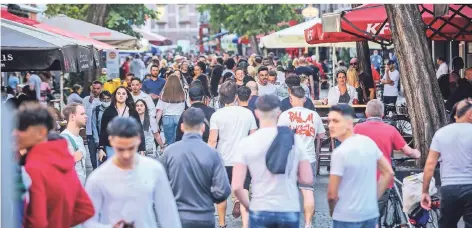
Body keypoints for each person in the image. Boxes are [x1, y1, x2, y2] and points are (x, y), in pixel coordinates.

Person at [232, 94, 313, 228]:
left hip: (260, 206)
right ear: (279, 113)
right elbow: (307, 179)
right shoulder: (294, 139)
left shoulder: (247, 143)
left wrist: (248, 205)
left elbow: (236, 186)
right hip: (288, 206)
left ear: (256, 113)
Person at [84, 117, 181, 228]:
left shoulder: (154, 169)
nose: (126, 154)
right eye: (120, 148)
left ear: (138, 140)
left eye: (131, 148)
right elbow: (88, 221)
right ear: (111, 141)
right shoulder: (97, 178)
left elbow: (168, 214)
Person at [15, 102, 94, 227]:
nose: (16, 133)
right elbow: (85, 209)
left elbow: (38, 222)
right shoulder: (62, 160)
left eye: (22, 128)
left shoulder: (33, 168)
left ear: (41, 132)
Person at [162, 108, 231, 228]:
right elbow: (222, 190)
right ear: (203, 127)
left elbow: (160, 186)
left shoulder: (169, 152)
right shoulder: (212, 154)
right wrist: (207, 199)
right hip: (204, 216)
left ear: (182, 127)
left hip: (177, 217)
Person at [327, 104, 393, 228]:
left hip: (346, 216)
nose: (330, 125)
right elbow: (388, 172)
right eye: (329, 121)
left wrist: (333, 211)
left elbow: (332, 194)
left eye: (335, 121)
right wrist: (374, 199)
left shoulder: (340, 152)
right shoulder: (368, 143)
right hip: (369, 214)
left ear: (349, 122)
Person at [354, 99, 421, 216]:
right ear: (382, 114)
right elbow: (408, 151)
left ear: (366, 113)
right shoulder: (390, 130)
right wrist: (417, 153)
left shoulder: (357, 129)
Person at [208, 81, 257, 228]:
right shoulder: (247, 113)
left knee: (221, 195)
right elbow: (254, 137)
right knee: (243, 193)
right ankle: (245, 225)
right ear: (236, 96)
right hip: (243, 160)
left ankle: (222, 224)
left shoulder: (216, 115)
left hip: (223, 160)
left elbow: (212, 141)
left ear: (221, 98)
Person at [277, 86, 325, 228]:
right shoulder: (314, 115)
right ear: (304, 99)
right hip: (308, 158)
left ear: (291, 99)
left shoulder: (285, 115)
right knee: (308, 192)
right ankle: (308, 224)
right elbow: (321, 135)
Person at [421, 99, 472, 228]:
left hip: (449, 188)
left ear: (455, 115)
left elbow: (430, 165)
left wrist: (425, 192)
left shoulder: (441, 134)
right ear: (470, 115)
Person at [98, 86, 145, 163]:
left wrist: (142, 149)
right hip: (111, 146)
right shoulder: (108, 111)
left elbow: (139, 130)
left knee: (129, 171)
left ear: (127, 96)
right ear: (115, 96)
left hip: (130, 145)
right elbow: (103, 130)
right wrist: (101, 148)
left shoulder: (133, 112)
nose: (121, 95)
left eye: (123, 94)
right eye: (118, 93)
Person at [61, 104, 88, 186]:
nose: (86, 116)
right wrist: (72, 159)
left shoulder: (79, 138)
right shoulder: (64, 139)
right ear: (72, 117)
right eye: (82, 114)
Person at [156, 75, 186, 145]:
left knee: (169, 142)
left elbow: (160, 109)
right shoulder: (183, 92)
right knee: (179, 140)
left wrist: (156, 122)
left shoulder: (163, 94)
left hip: (167, 118)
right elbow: (186, 106)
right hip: (179, 118)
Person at [82, 81, 103, 169]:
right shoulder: (86, 99)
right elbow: (83, 113)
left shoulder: (103, 100)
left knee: (101, 155)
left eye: (98, 88)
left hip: (100, 133)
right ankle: (95, 170)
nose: (95, 90)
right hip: (90, 132)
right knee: (92, 156)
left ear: (101, 89)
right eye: (94, 88)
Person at [91, 91, 112, 169]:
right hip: (100, 140)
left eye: (108, 99)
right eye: (104, 99)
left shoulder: (113, 110)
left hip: (111, 142)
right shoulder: (96, 110)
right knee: (102, 162)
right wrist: (97, 141)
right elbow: (94, 126)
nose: (106, 101)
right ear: (100, 99)